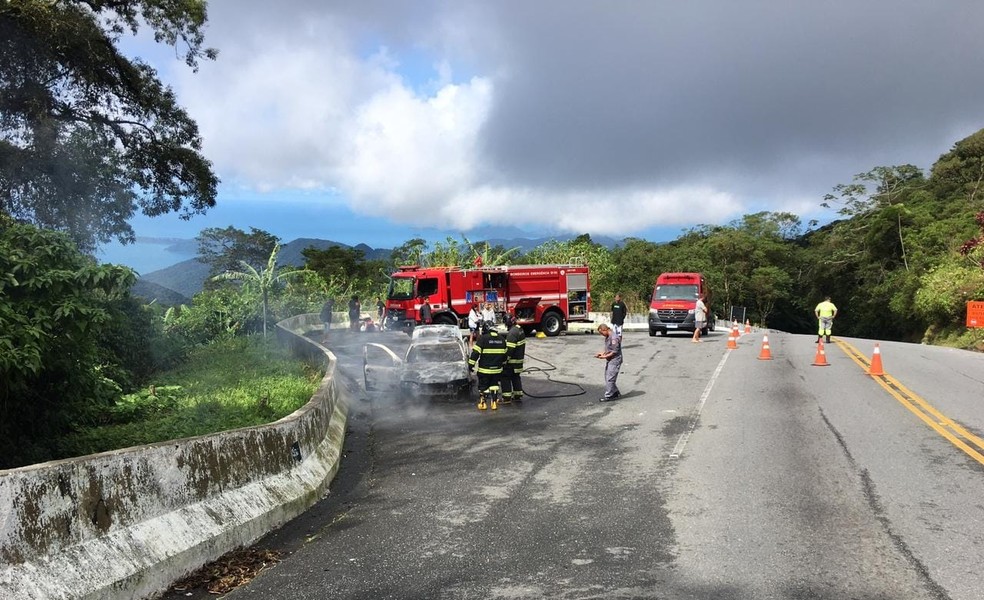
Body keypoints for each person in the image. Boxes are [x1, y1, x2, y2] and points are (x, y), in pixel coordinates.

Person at [468, 320, 507, 410]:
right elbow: (505, 356)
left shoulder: (483, 339)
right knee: (494, 385)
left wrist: (471, 365)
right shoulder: (502, 339)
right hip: (497, 370)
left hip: (484, 370)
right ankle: (494, 403)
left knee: (483, 386)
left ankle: (483, 403)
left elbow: (475, 354)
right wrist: (503, 365)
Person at [501, 313, 526, 405]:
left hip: (512, 361)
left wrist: (504, 360)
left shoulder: (512, 333)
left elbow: (509, 350)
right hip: (519, 360)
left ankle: (506, 397)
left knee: (505, 377)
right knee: (516, 377)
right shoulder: (519, 329)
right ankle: (518, 395)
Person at [595, 323, 622, 402]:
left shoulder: (614, 338)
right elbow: (608, 349)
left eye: (601, 333)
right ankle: (615, 391)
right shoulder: (608, 337)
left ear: (605, 330)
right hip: (610, 359)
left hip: (615, 360)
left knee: (610, 378)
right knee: (607, 376)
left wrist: (604, 357)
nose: (602, 335)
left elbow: (614, 351)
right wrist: (603, 353)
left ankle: (609, 395)